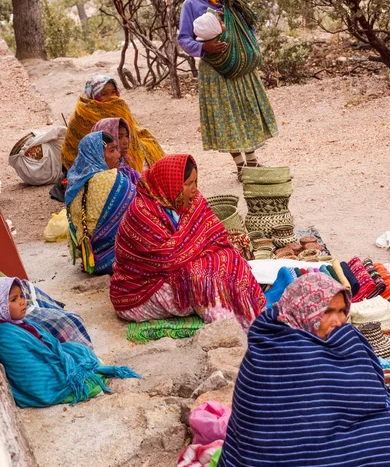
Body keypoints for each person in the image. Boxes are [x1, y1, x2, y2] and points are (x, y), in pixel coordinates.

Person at [195, 272, 390, 467]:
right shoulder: (289, 354)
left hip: (299, 443)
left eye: (342, 310)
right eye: (327, 312)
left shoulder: (280, 331)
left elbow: (357, 394)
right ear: (304, 311)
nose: (338, 320)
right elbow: (348, 403)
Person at [110, 154, 266, 330]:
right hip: (141, 292)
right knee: (202, 277)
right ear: (170, 184)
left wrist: (203, 253)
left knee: (230, 258)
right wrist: (202, 253)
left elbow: (215, 234)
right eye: (188, 184)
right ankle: (230, 326)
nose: (194, 189)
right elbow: (167, 259)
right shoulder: (141, 213)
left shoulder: (191, 201)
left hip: (173, 275)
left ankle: (250, 315)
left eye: (195, 182)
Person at [178, 0, 278, 181]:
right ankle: (241, 166)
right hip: (215, 69)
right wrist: (204, 47)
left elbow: (248, 25)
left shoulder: (229, 0)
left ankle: (252, 162)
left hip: (241, 69)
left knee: (246, 109)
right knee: (228, 115)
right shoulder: (191, 5)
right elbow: (183, 39)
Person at [0, 277, 140, 408]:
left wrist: (56, 354)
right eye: (13, 299)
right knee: (85, 381)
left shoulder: (20, 322)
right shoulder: (5, 335)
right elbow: (27, 370)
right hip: (39, 375)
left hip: (47, 359)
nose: (22, 301)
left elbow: (48, 343)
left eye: (22, 296)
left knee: (78, 349)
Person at [65, 131, 139, 275]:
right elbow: (140, 210)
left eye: (116, 149)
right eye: (111, 150)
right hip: (119, 256)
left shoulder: (73, 186)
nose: (118, 155)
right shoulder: (113, 178)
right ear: (97, 155)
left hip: (92, 262)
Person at [61, 74, 164, 172]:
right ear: (93, 95)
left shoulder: (119, 107)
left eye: (113, 92)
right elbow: (76, 149)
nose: (111, 97)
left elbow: (132, 133)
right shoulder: (82, 115)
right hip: (96, 161)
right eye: (104, 94)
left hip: (126, 148)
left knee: (150, 145)